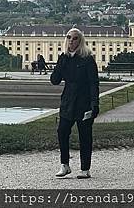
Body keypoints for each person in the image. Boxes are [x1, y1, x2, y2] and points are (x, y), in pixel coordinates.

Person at [50, 27, 99, 179]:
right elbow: (55, 80)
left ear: (80, 41)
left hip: (83, 102)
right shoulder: (64, 58)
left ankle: (85, 169)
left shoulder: (87, 59)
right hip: (68, 101)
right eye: (69, 37)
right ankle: (64, 164)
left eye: (75, 38)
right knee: (62, 132)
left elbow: (93, 83)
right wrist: (60, 63)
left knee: (85, 136)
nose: (72, 40)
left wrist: (94, 103)